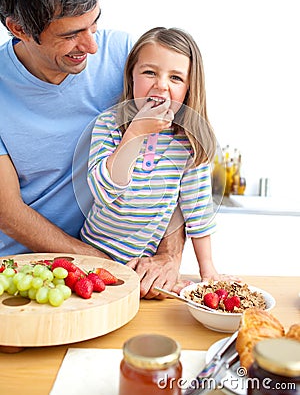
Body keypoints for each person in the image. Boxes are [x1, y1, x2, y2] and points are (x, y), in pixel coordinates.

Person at [0, 0, 186, 299]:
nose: (92, 46)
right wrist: (102, 265)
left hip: (120, 275)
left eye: (94, 23)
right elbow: (7, 211)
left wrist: (168, 255)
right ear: (19, 28)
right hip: (27, 274)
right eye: (71, 34)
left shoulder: (130, 58)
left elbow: (175, 154)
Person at [81, 26, 227, 282]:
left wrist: (208, 271)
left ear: (189, 88)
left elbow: (198, 209)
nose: (161, 85)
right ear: (131, 77)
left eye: (176, 78)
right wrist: (135, 132)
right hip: (92, 260)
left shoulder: (190, 143)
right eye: (150, 73)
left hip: (143, 269)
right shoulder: (108, 124)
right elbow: (103, 192)